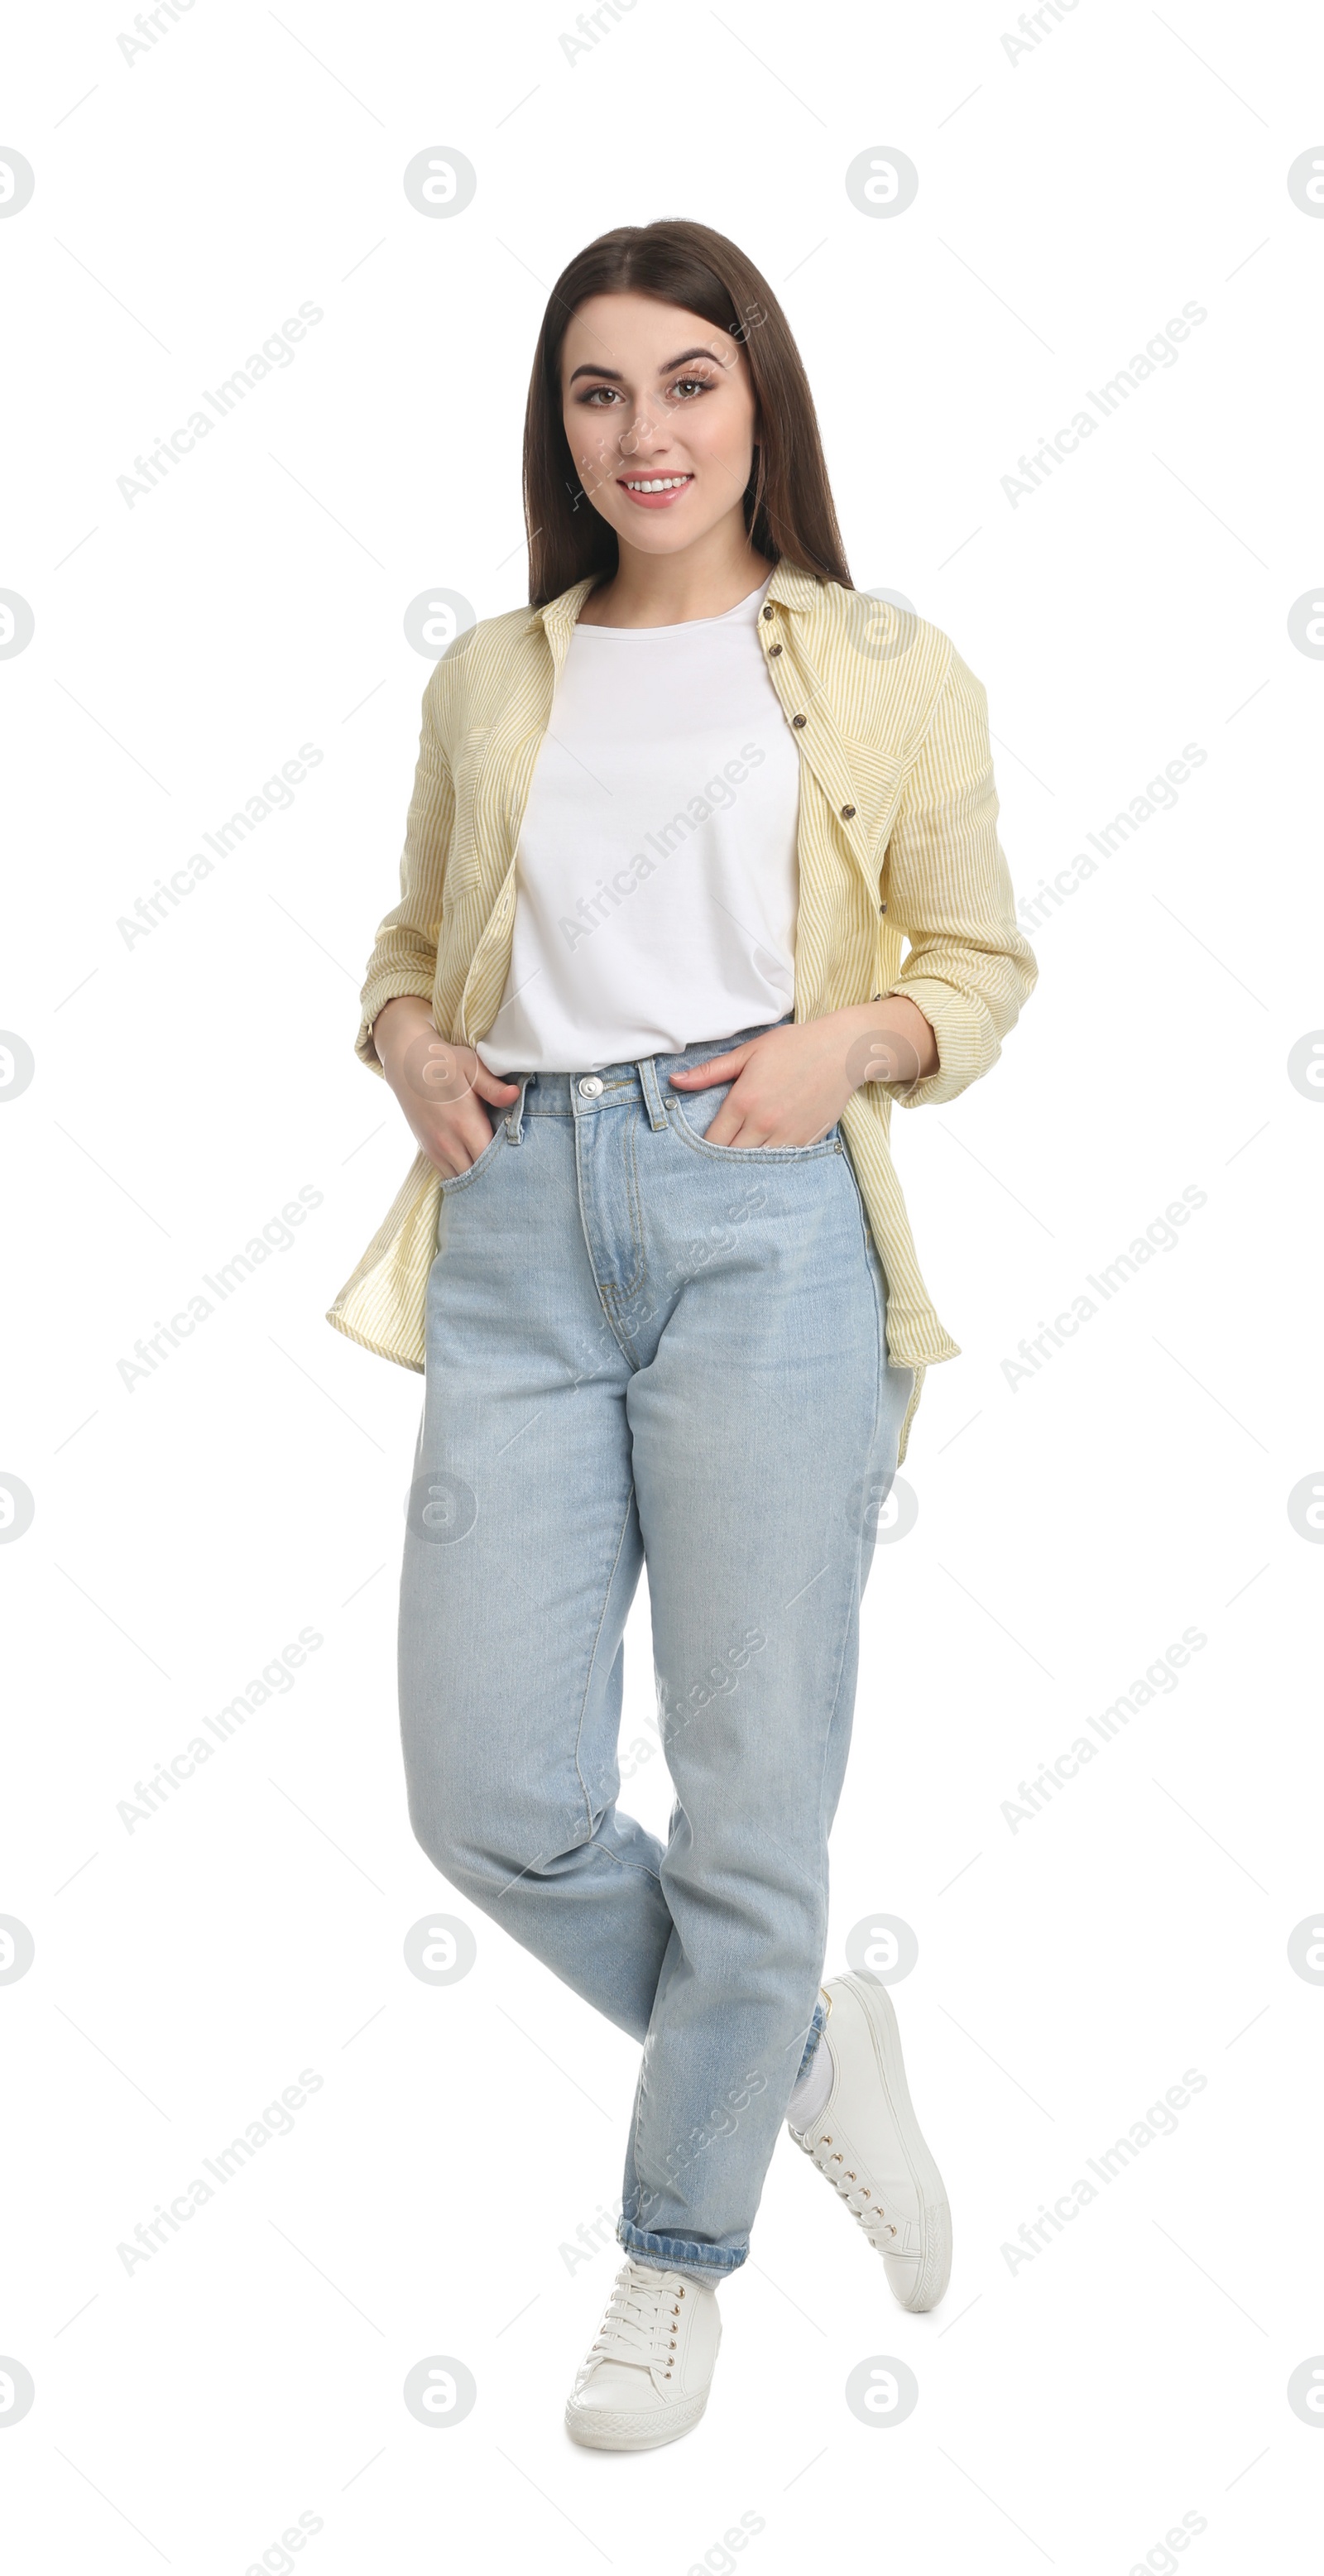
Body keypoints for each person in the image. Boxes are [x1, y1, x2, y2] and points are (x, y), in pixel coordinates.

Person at [328, 217, 1037, 2450]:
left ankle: (677, 2252)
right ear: (561, 424)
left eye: (689, 382)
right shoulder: (494, 678)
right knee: (493, 1790)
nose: (645, 432)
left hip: (764, 1217)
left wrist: (857, 1044)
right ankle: (803, 2048)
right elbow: (410, 938)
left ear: (763, 400)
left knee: (752, 1797)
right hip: (520, 1226)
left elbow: (984, 960)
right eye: (599, 391)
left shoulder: (888, 662)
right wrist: (412, 1041)